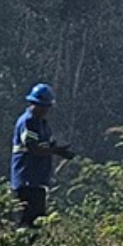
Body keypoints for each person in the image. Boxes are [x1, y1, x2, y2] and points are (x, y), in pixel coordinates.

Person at [10, 83, 74, 228]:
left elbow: (48, 145)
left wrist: (59, 150)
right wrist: (54, 151)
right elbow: (34, 148)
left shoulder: (42, 124)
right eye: (43, 106)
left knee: (38, 221)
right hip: (26, 180)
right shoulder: (28, 122)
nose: (46, 110)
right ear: (34, 104)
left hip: (38, 180)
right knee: (25, 222)